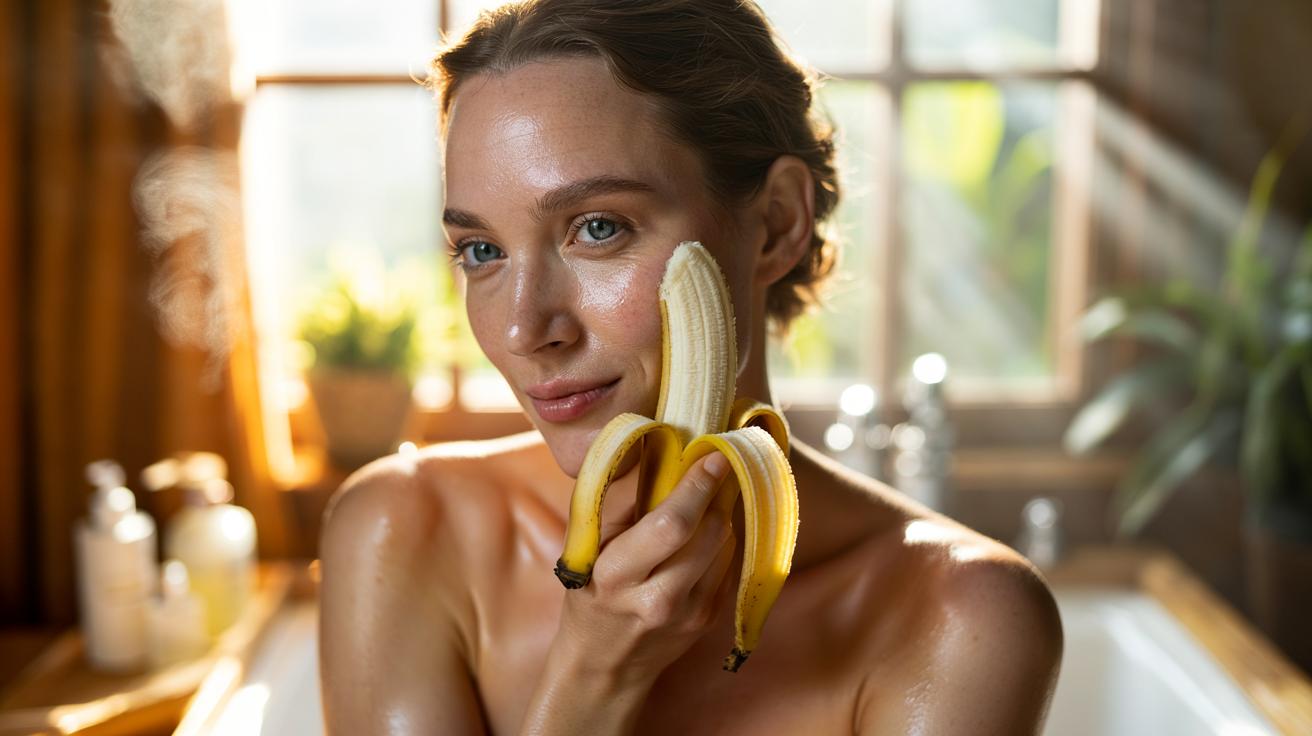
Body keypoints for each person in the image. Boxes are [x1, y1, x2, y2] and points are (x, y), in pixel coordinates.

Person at [318, 1, 1063, 734]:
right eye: (482, 251)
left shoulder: (958, 618)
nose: (522, 329)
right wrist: (593, 676)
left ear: (776, 224)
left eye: (598, 229)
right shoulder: (403, 534)